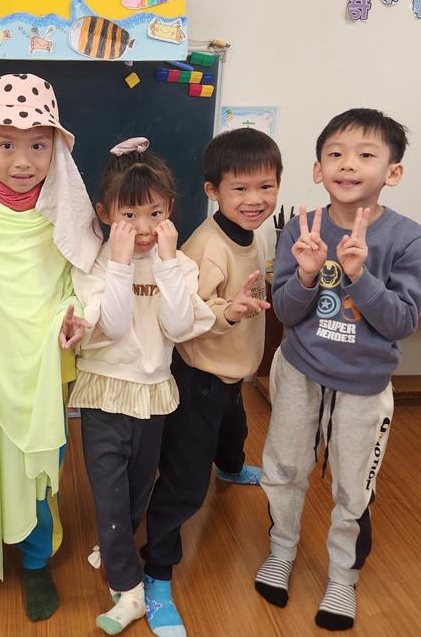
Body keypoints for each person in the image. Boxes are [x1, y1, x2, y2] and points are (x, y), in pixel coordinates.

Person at [254, 109, 421, 631]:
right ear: (318, 169)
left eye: (365, 155)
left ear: (393, 172)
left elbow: (401, 323)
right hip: (300, 372)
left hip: (364, 385)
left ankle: (341, 579)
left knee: (354, 487)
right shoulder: (302, 228)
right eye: (335, 154)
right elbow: (285, 313)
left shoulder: (408, 239)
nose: (348, 164)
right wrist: (308, 275)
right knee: (284, 468)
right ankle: (281, 551)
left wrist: (358, 276)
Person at [0, 73, 102, 621]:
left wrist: (74, 317)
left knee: (39, 472)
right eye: (6, 144)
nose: (23, 161)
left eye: (38, 145)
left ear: (56, 148)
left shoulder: (69, 214)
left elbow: (83, 281)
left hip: (42, 366)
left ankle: (36, 562)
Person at [139, 127, 281, 637]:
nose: (254, 199)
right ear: (212, 190)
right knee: (184, 482)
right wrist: (229, 311)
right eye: (240, 189)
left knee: (233, 430)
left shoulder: (253, 232)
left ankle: (233, 467)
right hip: (199, 375)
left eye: (266, 187)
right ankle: (156, 571)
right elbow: (186, 316)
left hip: (231, 372)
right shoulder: (207, 247)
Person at [70, 138, 213, 634]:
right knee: (109, 493)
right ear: (105, 214)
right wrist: (120, 263)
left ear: (170, 209)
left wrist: (168, 265)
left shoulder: (180, 265)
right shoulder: (96, 262)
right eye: (129, 215)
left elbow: (179, 326)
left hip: (153, 392)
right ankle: (128, 590)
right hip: (105, 390)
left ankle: (113, 544)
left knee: (136, 489)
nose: (145, 227)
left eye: (155, 213)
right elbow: (111, 325)